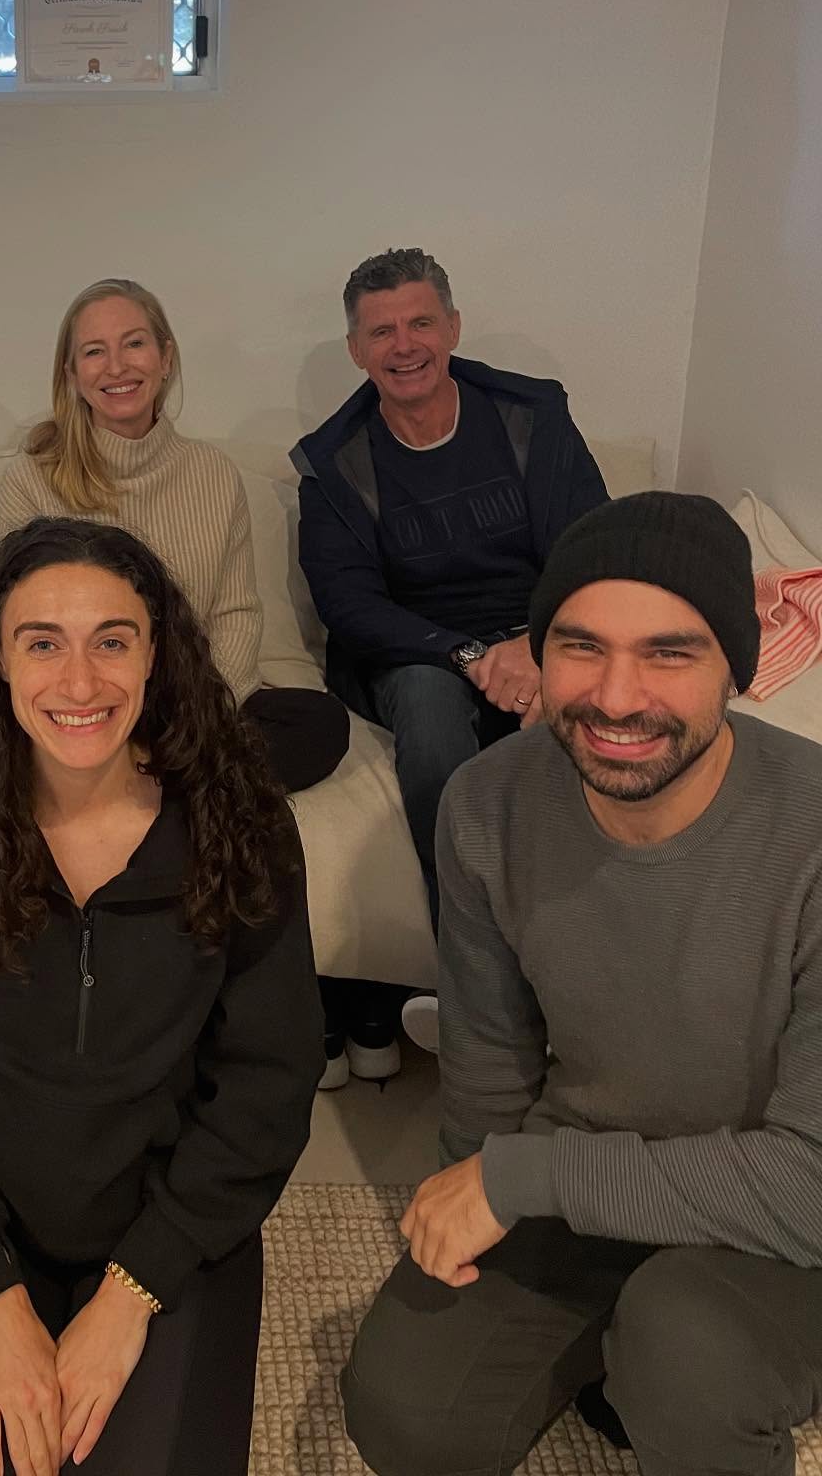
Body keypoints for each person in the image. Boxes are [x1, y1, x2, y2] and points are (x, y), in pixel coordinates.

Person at [342, 491, 822, 1476]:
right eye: (580, 645)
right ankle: (617, 1350)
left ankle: (668, 1353)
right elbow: (488, 1063)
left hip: (776, 1209)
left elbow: (812, 1183)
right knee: (406, 1411)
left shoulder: (809, 833)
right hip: (592, 1165)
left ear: (736, 665)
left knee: (685, 1356)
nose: (614, 695)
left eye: (670, 652)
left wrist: (532, 1179)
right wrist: (479, 1185)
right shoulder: (490, 801)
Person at [0, 517, 322, 1476]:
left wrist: (130, 1295)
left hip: (172, 1223)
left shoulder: (241, 829)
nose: (80, 684)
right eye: (43, 643)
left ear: (158, 655)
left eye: (112, 640)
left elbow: (268, 1087)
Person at [292, 246, 606, 1055]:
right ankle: (471, 979)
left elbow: (590, 546)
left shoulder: (533, 416)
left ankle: (586, 971)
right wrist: (469, 654)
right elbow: (348, 604)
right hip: (414, 653)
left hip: (541, 633)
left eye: (421, 322)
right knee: (432, 724)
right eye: (382, 331)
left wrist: (537, 647)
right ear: (358, 351)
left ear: (453, 327)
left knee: (580, 718)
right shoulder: (332, 461)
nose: (405, 346)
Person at [0, 278, 350, 797]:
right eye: (95, 351)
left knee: (318, 721)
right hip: (79, 702)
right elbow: (6, 626)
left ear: (165, 357)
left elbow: (236, 614)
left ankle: (143, 786)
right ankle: (166, 788)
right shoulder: (33, 479)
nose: (117, 367)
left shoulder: (213, 474)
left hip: (187, 707)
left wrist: (200, 716)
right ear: (71, 374)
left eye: (134, 343)